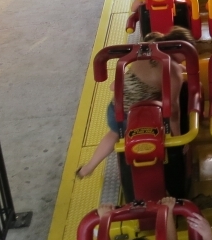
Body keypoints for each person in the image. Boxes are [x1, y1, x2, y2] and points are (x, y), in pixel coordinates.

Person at [76, 32, 184, 178]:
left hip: (116, 109)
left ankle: (88, 168)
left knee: (114, 134)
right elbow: (173, 109)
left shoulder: (144, 53)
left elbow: (114, 86)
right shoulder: (172, 71)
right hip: (140, 119)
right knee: (161, 128)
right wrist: (178, 139)